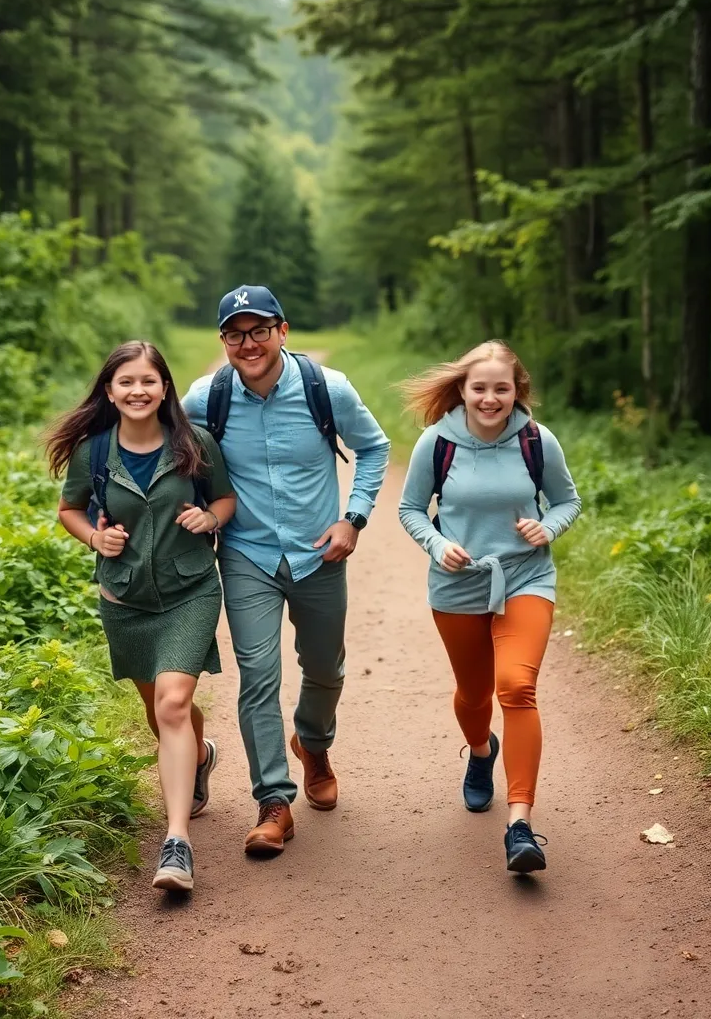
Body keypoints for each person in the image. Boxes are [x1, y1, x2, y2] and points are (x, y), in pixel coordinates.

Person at [182, 285, 390, 855]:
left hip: (319, 552)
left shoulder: (328, 389)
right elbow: (164, 448)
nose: (248, 343)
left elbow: (374, 448)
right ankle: (274, 802)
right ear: (223, 340)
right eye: (234, 333)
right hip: (247, 552)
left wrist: (354, 518)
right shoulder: (206, 398)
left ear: (282, 330)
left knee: (326, 668)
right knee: (258, 675)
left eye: (259, 330)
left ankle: (314, 743)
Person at [46, 341, 236, 894]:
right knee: (161, 714)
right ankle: (198, 757)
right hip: (125, 601)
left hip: (190, 591)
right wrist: (94, 536)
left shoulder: (194, 444)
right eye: (126, 382)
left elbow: (225, 500)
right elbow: (69, 508)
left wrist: (208, 516)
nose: (137, 391)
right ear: (110, 391)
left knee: (173, 702)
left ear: (164, 389)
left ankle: (176, 843)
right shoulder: (93, 452)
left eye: (148, 381)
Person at [397, 340, 581, 873]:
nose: (490, 398)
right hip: (458, 586)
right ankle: (481, 751)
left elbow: (568, 499)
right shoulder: (437, 443)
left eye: (502, 388)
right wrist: (436, 544)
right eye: (480, 388)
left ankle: (520, 825)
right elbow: (410, 509)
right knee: (474, 695)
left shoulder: (536, 441)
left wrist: (546, 528)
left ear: (516, 391)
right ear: (463, 390)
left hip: (526, 576)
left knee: (517, 687)